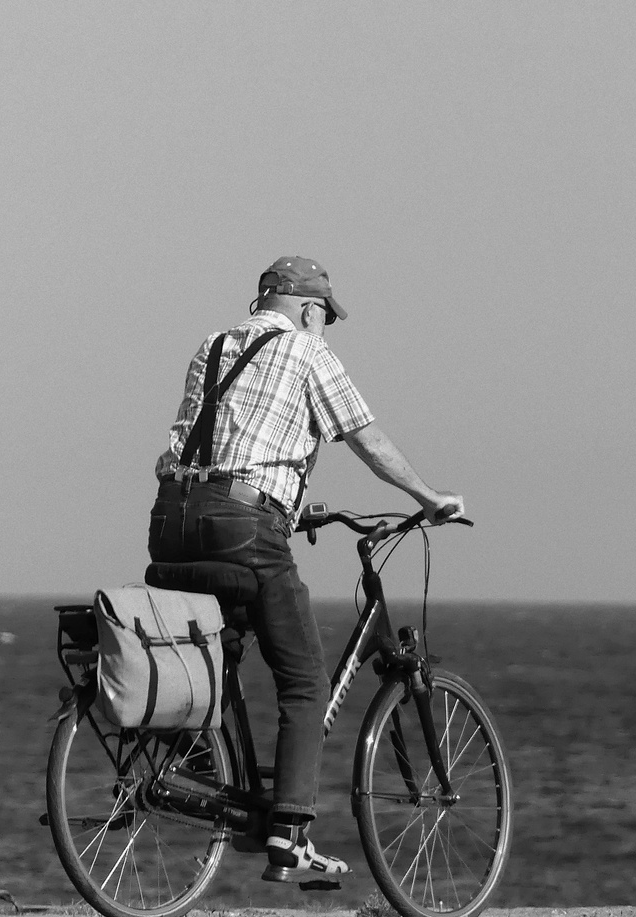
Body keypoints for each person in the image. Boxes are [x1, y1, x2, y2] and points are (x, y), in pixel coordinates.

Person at [148, 256, 464, 882]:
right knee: (304, 681)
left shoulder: (212, 345)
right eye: (326, 318)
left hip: (174, 520)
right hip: (244, 525)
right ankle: (289, 835)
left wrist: (292, 507)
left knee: (218, 649)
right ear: (311, 308)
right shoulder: (308, 352)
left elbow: (231, 443)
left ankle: (202, 773)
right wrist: (429, 499)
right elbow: (367, 441)